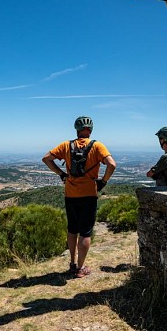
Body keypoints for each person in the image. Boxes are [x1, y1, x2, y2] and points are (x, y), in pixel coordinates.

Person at [42, 116, 116, 278]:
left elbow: (46, 158)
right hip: (89, 194)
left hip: (70, 194)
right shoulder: (97, 146)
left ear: (76, 129)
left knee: (72, 229)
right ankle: (81, 268)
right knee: (85, 232)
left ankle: (72, 263)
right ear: (91, 130)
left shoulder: (66, 146)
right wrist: (103, 182)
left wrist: (61, 174)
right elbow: (112, 164)